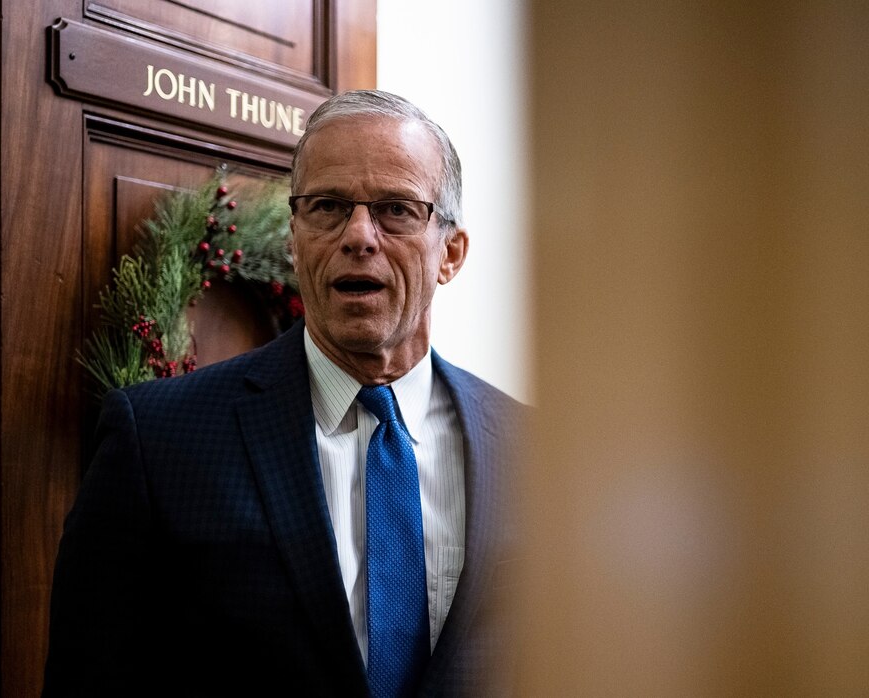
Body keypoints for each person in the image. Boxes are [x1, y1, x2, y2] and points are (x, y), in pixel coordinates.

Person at [43, 90, 528, 697]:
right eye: (327, 206)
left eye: (396, 209)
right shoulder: (156, 440)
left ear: (450, 254)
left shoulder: (534, 449)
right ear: (294, 241)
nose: (359, 235)